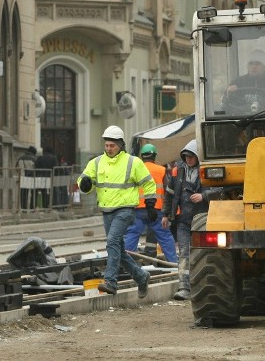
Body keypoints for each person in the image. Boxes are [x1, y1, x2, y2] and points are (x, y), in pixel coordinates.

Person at [77, 125, 154, 298]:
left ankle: (111, 282)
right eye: (107, 145)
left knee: (112, 241)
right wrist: (85, 184)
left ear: (120, 144)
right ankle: (141, 277)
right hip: (107, 211)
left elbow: (148, 183)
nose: (109, 148)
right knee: (118, 250)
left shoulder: (133, 162)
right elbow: (84, 179)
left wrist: (150, 202)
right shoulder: (96, 163)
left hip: (125, 210)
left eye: (112, 145)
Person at [164, 139, 215, 301]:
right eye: (186, 156)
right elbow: (169, 195)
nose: (188, 159)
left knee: (204, 253)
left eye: (191, 156)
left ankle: (204, 285)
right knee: (184, 254)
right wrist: (166, 214)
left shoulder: (208, 169)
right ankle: (184, 287)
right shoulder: (178, 171)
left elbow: (219, 189)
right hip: (183, 221)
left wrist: (204, 196)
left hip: (203, 220)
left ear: (198, 156)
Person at [124, 144, 179, 264]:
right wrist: (171, 211)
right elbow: (168, 191)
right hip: (157, 210)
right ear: (154, 156)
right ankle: (174, 263)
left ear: (142, 157)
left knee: (132, 234)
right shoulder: (161, 170)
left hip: (137, 209)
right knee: (165, 236)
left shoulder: (134, 170)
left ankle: (126, 263)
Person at [17, 146, 38, 210]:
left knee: (23, 193)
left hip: (23, 177)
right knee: (33, 193)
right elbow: (36, 168)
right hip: (32, 177)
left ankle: (24, 208)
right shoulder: (34, 158)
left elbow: (17, 167)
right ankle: (32, 207)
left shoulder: (20, 158)